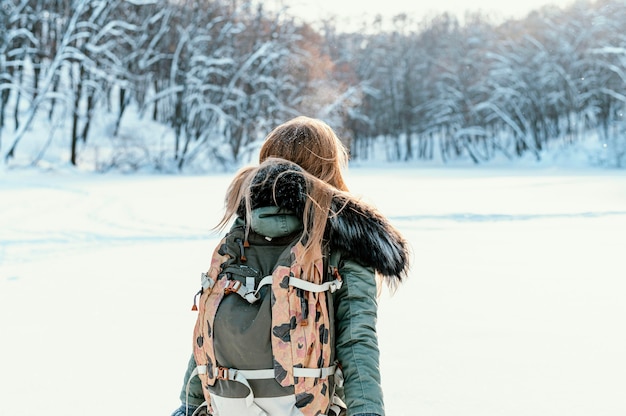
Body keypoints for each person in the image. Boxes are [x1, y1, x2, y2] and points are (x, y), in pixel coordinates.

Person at [171, 116, 410, 416]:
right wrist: (368, 411)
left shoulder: (244, 232)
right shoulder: (346, 239)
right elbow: (357, 341)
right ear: (329, 171)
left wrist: (187, 403)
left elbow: (210, 324)